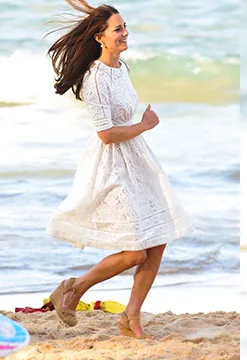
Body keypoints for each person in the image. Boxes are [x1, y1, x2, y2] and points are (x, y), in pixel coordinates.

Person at [45, 0, 193, 338]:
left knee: (158, 240)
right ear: (100, 37)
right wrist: (144, 125)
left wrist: (140, 130)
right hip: (112, 166)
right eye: (118, 29)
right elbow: (107, 134)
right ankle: (74, 288)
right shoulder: (95, 79)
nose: (125, 33)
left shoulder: (121, 67)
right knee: (135, 251)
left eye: (124, 26)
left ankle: (131, 318)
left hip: (138, 160)